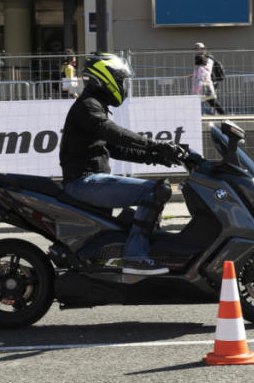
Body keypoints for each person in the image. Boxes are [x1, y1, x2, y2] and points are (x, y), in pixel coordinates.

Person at [59, 53, 186, 276]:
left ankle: (138, 249)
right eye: (120, 80)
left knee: (149, 197)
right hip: (84, 182)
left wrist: (160, 158)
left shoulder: (94, 104)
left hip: (89, 181)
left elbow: (116, 149)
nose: (122, 85)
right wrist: (156, 145)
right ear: (106, 78)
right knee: (154, 191)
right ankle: (136, 257)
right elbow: (113, 134)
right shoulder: (88, 106)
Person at [192, 42, 227, 114]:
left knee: (210, 99)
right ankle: (219, 114)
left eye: (198, 48)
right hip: (206, 80)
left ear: (203, 48)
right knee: (209, 99)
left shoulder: (208, 57)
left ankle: (222, 114)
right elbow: (199, 69)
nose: (197, 50)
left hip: (210, 80)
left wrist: (202, 78)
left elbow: (207, 70)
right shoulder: (201, 56)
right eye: (196, 49)